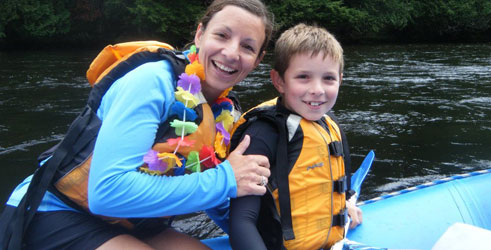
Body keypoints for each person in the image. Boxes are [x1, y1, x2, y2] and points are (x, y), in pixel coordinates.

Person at [0, 0, 274, 249]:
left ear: (258, 60)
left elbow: (215, 191)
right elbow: (106, 193)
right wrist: (226, 179)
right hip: (57, 210)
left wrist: (268, 237)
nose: (231, 52)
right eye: (222, 35)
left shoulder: (225, 113)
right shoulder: (152, 81)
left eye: (247, 47)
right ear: (200, 34)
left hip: (135, 221)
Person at [229, 23, 363, 250]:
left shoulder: (330, 126)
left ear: (340, 79)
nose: (318, 90)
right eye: (303, 77)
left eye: (328, 78)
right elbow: (242, 222)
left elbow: (336, 185)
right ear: (279, 81)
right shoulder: (263, 133)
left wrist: (345, 205)